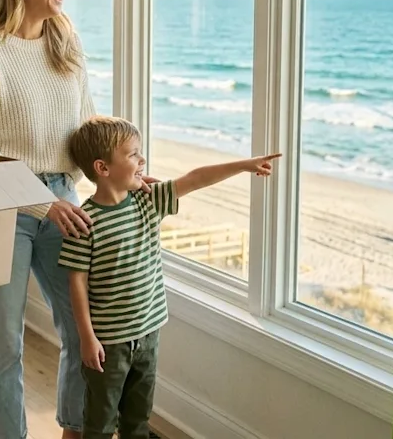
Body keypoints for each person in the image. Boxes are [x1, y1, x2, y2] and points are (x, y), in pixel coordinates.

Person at [0, 0, 150, 439]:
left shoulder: (65, 39)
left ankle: (75, 431)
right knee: (3, 345)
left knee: (87, 331)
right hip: (0, 208)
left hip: (64, 199)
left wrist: (128, 175)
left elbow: (86, 131)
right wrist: (43, 203)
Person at [60, 115, 279, 439]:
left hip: (148, 333)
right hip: (109, 344)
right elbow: (76, 282)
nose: (142, 160)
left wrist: (245, 165)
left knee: (138, 419)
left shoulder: (149, 200)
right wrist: (87, 338)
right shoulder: (85, 222)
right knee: (100, 423)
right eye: (133, 154)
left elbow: (195, 178)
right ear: (103, 168)